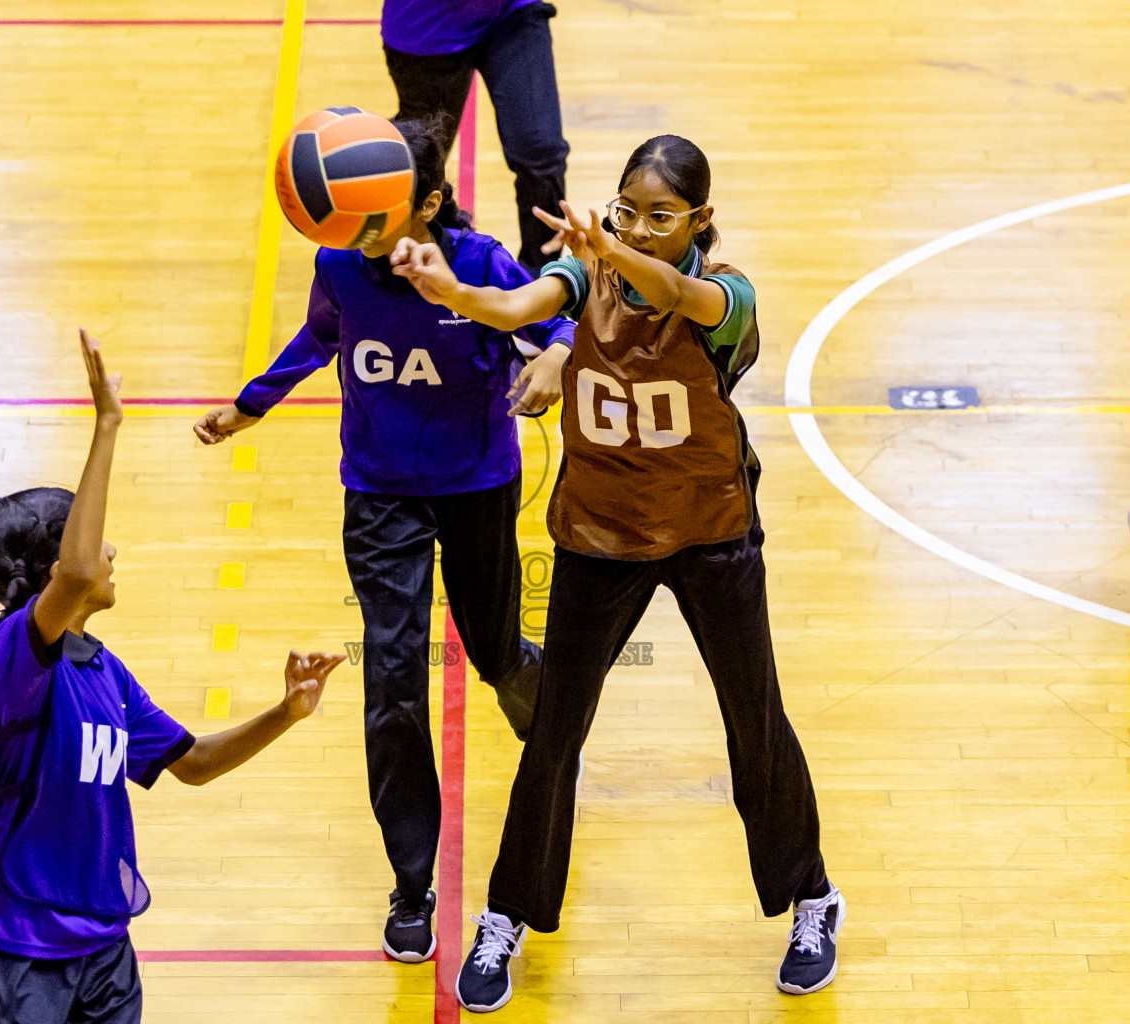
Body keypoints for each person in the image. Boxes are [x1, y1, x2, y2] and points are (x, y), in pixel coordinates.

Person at [392, 134, 842, 1010]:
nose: (638, 225)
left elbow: (674, 292)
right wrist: (449, 292)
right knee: (555, 732)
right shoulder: (583, 275)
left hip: (710, 532)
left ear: (701, 222)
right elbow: (519, 303)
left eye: (661, 216)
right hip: (599, 536)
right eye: (627, 209)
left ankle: (811, 898)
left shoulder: (728, 295)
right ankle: (507, 916)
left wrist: (618, 251)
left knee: (754, 722)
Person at [191, 118, 575, 964]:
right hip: (378, 495)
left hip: (477, 487)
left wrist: (553, 357)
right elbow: (321, 336)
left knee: (495, 653)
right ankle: (411, 880)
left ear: (428, 203)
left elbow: (551, 320)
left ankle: (554, 744)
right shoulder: (341, 265)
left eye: (380, 218)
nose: (363, 240)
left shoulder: (476, 266)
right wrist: (252, 404)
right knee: (393, 682)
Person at [0, 329, 345, 1024]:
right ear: (53, 568)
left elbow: (193, 763)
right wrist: (107, 425)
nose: (111, 549)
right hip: (19, 941)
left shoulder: (106, 673)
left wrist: (286, 712)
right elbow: (75, 571)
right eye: (94, 537)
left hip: (103, 941)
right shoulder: (16, 655)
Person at [380, 0, 569, 275]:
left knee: (540, 151)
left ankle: (538, 285)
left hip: (510, 14)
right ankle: (443, 255)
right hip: (426, 31)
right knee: (420, 164)